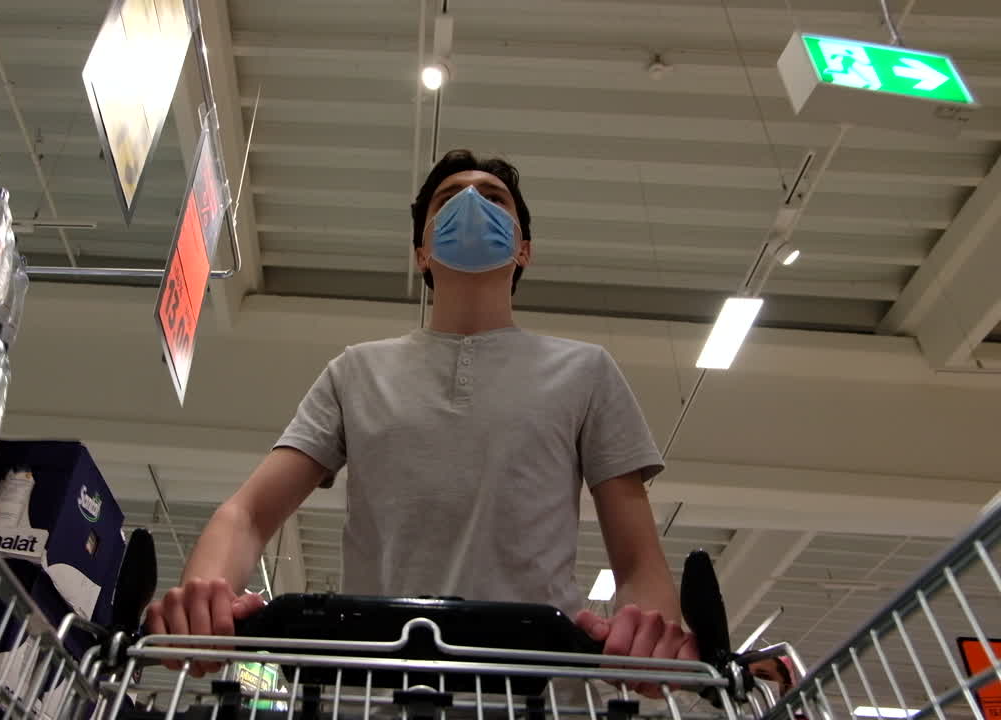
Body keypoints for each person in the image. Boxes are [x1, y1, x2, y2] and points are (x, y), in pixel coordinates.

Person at [146, 149, 699, 696]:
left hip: (540, 692)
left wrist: (650, 639)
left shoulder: (587, 372)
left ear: (525, 248)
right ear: (421, 252)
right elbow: (246, 513)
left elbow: (637, 558)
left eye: (494, 198)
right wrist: (205, 595)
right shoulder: (355, 372)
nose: (471, 205)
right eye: (448, 200)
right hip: (372, 690)